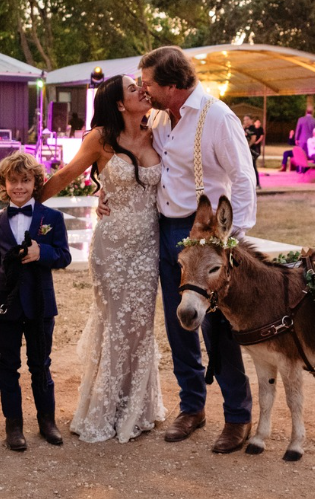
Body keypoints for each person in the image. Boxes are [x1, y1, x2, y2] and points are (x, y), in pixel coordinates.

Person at [118, 46, 257, 454]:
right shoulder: (161, 116)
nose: (143, 90)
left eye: (148, 83)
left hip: (205, 233)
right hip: (165, 228)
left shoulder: (217, 117)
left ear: (172, 85)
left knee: (217, 327)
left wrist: (229, 239)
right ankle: (192, 407)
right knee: (179, 321)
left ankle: (238, 416)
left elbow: (243, 177)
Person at [40, 74, 167, 444]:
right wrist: (27, 207)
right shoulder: (100, 139)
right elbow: (66, 174)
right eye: (133, 88)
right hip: (111, 247)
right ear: (119, 104)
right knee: (114, 323)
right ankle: (103, 409)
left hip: (148, 246)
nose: (142, 90)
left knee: (140, 325)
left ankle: (136, 408)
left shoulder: (158, 132)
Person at [0, 151, 72, 451]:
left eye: (25, 181)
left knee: (40, 364)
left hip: (40, 304)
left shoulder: (52, 218)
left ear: (35, 183)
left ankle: (47, 421)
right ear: (4, 184)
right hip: (7, 304)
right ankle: (13, 425)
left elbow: (64, 256)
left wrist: (41, 253)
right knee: (8, 364)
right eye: (13, 181)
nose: (19, 187)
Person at [244, 116, 264, 187]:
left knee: (253, 166)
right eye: (244, 120)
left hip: (253, 150)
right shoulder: (244, 128)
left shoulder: (252, 128)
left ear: (251, 120)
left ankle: (257, 183)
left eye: (247, 119)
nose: (245, 121)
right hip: (247, 151)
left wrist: (247, 146)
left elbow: (253, 139)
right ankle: (249, 183)